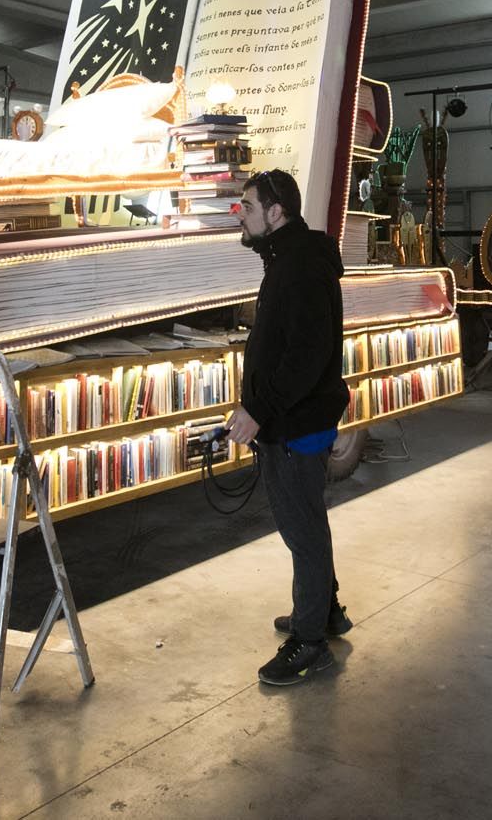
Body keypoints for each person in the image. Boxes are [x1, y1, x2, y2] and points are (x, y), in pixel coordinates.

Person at [226, 168, 351, 687]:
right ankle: (324, 611)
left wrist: (259, 409)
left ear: (277, 212)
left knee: (302, 528)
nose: (242, 215)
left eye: (249, 207)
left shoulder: (298, 267)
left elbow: (304, 356)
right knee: (306, 523)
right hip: (290, 419)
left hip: (297, 422)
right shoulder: (288, 258)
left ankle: (311, 642)